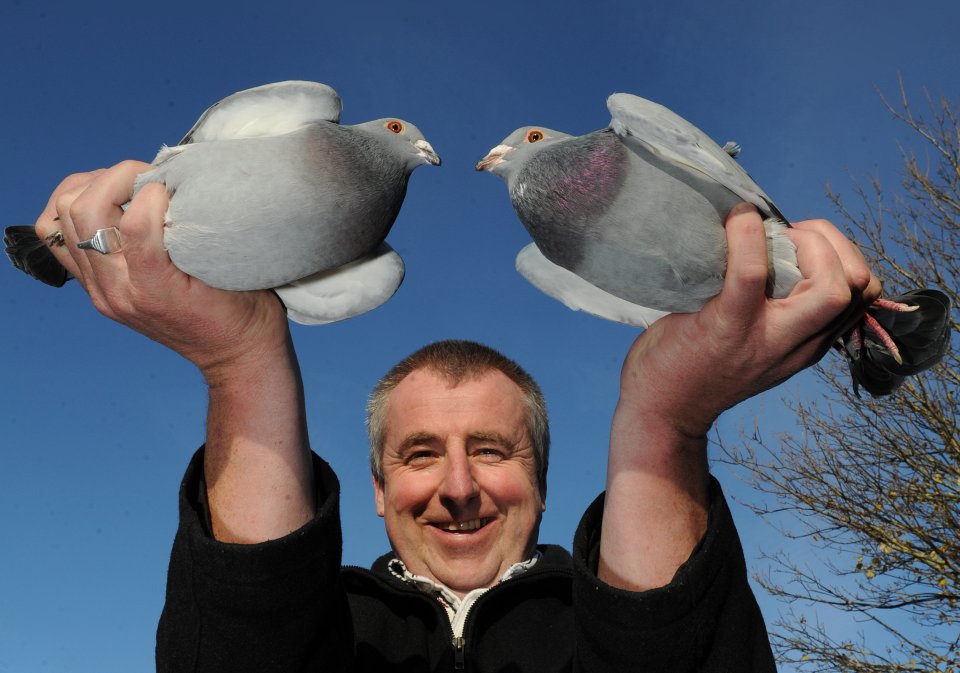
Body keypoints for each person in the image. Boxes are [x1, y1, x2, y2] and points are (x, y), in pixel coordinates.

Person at [33, 161, 880, 672]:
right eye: (419, 454)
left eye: (491, 448)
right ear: (376, 487)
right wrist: (239, 364)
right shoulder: (338, 627)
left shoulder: (597, 620)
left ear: (541, 483)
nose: (460, 487)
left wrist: (665, 420)